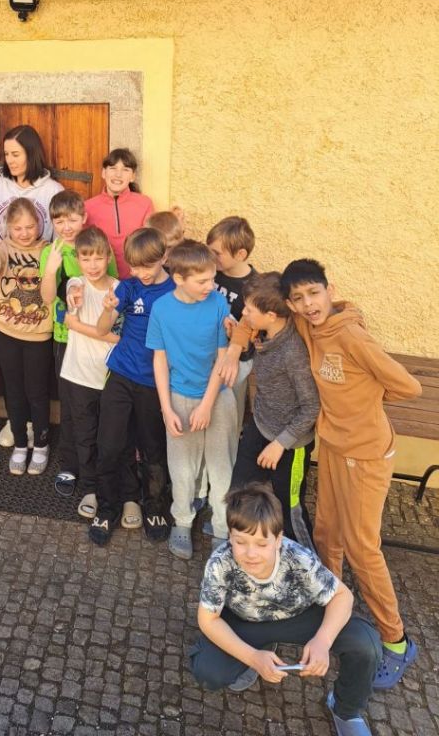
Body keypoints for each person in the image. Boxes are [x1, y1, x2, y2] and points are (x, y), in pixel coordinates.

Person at [277, 259, 420, 689]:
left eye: (314, 293)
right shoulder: (308, 326)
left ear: (330, 290)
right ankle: (333, 609)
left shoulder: (352, 336)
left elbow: (408, 386)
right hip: (335, 450)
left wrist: (364, 402)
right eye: (299, 298)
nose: (309, 304)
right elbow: (267, 310)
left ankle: (396, 641)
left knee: (362, 548)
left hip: (367, 454)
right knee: (327, 534)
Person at [191, 483, 381, 736]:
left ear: (278, 539)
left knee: (365, 643)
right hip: (244, 621)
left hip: (299, 617)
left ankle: (345, 710)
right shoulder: (219, 563)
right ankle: (260, 651)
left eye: (261, 544)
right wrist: (252, 658)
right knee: (208, 672)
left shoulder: (298, 557)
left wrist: (323, 641)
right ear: (230, 535)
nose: (250, 554)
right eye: (240, 542)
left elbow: (342, 596)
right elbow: (208, 620)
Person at [147, 240, 236, 560]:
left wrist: (207, 404)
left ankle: (223, 528)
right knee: (182, 467)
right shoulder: (161, 309)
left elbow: (222, 358)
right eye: (202, 281)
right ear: (178, 278)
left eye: (212, 278)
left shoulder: (217, 304)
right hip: (179, 397)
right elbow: (159, 359)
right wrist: (166, 408)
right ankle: (182, 521)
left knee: (221, 467)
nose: (210, 286)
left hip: (218, 396)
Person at [89, 227, 174, 547]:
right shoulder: (128, 286)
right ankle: (107, 507)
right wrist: (108, 308)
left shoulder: (176, 291)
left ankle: (154, 507)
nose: (141, 273)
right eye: (135, 267)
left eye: (147, 266)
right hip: (122, 375)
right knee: (109, 445)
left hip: (155, 382)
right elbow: (102, 330)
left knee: (153, 448)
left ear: (164, 257)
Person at [230, 271, 318, 548]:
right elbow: (253, 353)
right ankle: (245, 551)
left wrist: (280, 444)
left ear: (270, 315)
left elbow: (311, 406)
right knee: (239, 495)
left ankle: (306, 561)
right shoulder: (263, 332)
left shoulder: (293, 353)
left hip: (290, 445)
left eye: (249, 309)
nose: (243, 313)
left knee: (289, 512)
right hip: (260, 426)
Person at [40, 190, 117, 497]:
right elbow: (48, 298)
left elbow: (111, 290)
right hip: (66, 338)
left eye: (72, 220)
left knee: (97, 407)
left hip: (98, 341)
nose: (66, 227)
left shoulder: (97, 247)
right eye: (59, 221)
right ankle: (70, 465)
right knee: (70, 408)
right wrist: (51, 268)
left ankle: (96, 464)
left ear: (83, 218)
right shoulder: (52, 251)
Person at [0, 197, 52, 476]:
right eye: (18, 228)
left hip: (39, 335)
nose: (25, 233)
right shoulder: (3, 249)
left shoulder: (48, 250)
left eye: (30, 227)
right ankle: (20, 442)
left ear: (39, 224)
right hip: (6, 332)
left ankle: (41, 443)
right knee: (14, 391)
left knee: (37, 392)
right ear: (8, 227)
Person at [59, 226, 120, 518]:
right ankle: (89, 489)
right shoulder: (76, 284)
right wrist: (73, 299)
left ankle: (110, 486)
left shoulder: (119, 289)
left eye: (98, 258)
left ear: (108, 257)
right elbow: (71, 298)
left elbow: (120, 335)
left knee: (108, 437)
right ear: (78, 260)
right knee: (84, 434)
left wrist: (80, 326)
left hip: (109, 376)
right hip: (78, 374)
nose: (93, 265)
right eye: (86, 258)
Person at [207, 215, 256, 433]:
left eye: (217, 253)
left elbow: (255, 330)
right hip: (208, 355)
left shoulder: (254, 287)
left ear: (240, 254)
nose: (211, 257)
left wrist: (236, 339)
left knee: (227, 419)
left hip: (236, 361)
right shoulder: (211, 273)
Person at [85, 149, 153, 279]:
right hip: (101, 280)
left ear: (133, 176)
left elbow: (151, 243)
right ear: (103, 173)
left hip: (136, 280)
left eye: (125, 170)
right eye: (113, 168)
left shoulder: (145, 203)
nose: (118, 174)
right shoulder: (88, 207)